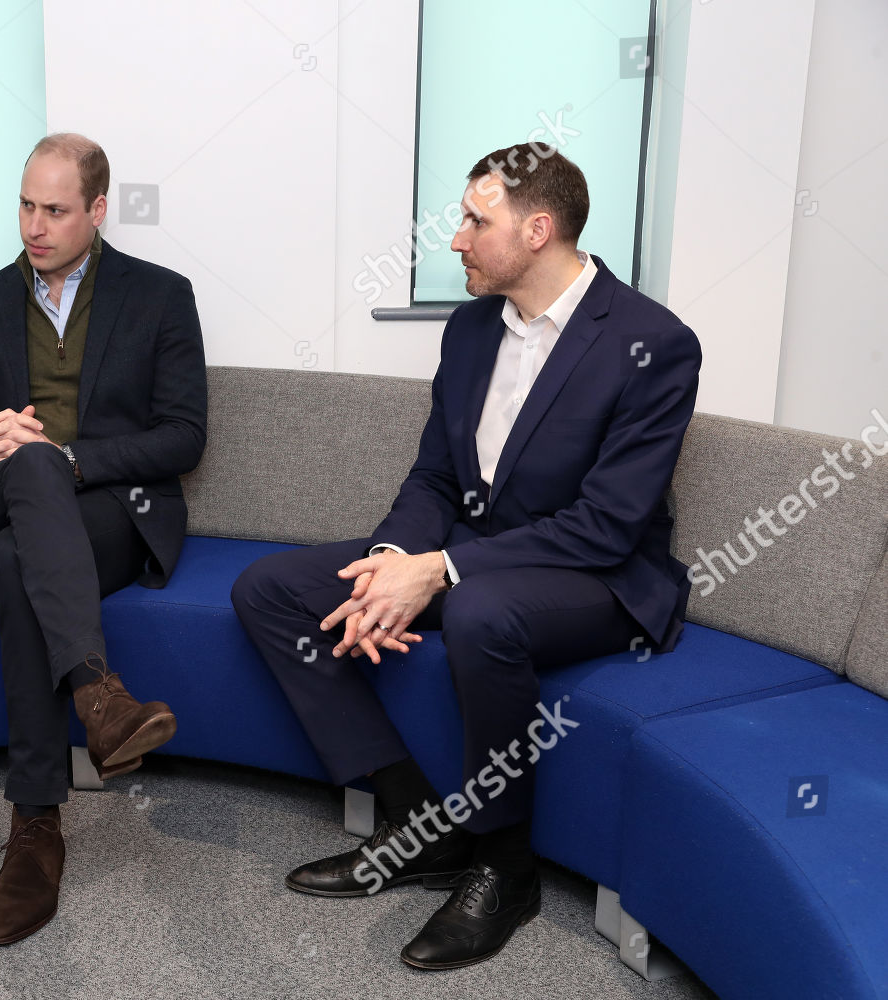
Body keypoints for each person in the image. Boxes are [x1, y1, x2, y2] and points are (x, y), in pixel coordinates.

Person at [231, 143, 701, 969]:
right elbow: (436, 478)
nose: (455, 239)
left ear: (538, 230)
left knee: (483, 611)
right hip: (482, 556)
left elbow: (606, 526)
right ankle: (420, 825)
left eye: (476, 221)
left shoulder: (652, 343)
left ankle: (504, 867)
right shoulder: (473, 327)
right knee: (271, 588)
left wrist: (438, 571)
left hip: (600, 578)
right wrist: (390, 559)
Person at [0, 133, 207, 945]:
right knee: (23, 484)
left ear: (98, 210)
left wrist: (69, 458)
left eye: (55, 210)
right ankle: (100, 702)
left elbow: (184, 436)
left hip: (108, 507)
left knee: (18, 559)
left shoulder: (160, 296)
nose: (34, 226)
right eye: (25, 205)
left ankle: (35, 824)